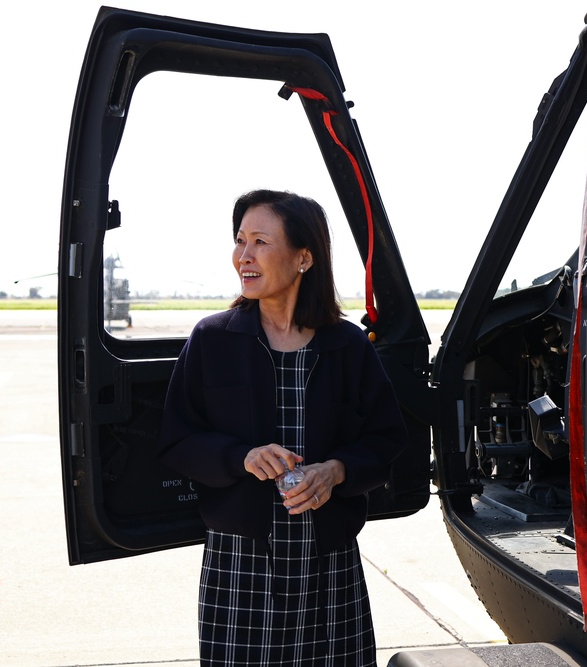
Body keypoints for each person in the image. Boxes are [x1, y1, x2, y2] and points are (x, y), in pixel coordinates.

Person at [158, 189, 408, 665]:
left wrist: (335, 471)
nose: (243, 256)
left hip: (329, 561)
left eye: (260, 242)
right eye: (239, 241)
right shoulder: (212, 340)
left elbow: (387, 440)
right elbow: (177, 441)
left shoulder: (348, 345)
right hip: (239, 564)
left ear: (304, 257)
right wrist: (241, 457)